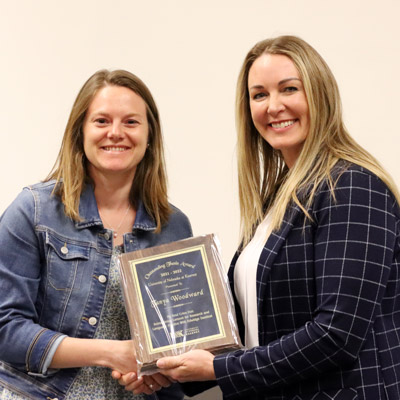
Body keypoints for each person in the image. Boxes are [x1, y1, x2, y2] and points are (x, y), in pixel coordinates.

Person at [117, 36, 400, 399]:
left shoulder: (352, 187)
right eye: (259, 95)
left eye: (289, 89)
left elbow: (337, 334)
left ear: (320, 94)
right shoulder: (278, 199)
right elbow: (255, 333)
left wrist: (219, 368)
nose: (274, 106)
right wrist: (167, 368)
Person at [0, 69, 192, 400]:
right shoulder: (32, 211)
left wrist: (161, 373)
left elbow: (184, 339)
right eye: (101, 121)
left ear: (149, 136)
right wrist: (110, 352)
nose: (115, 133)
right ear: (81, 132)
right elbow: (6, 328)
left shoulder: (174, 226)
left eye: (131, 122)